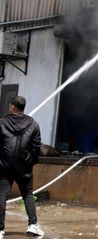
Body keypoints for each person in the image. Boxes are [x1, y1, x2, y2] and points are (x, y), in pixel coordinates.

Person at [0, 96, 43, 238]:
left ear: (12, 107)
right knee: (28, 195)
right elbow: (37, 147)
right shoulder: (33, 124)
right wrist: (30, 161)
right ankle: (33, 226)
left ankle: (0, 229)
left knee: (1, 196)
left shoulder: (2, 123)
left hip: (4, 166)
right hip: (24, 167)